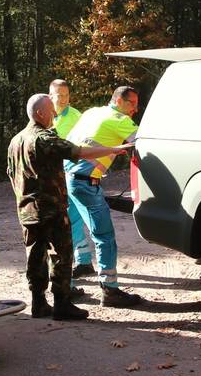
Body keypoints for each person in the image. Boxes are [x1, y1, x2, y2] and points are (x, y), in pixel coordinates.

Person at [8, 93, 131, 320]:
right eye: (50, 111)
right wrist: (113, 149)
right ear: (39, 113)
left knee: (35, 257)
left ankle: (38, 303)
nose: (55, 114)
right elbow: (79, 152)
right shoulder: (44, 138)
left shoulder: (16, 140)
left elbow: (11, 174)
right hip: (51, 209)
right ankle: (62, 304)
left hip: (27, 210)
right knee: (62, 256)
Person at [65, 86, 144, 307]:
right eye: (132, 103)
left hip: (67, 176)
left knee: (66, 231)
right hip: (85, 182)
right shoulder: (119, 119)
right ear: (118, 101)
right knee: (104, 236)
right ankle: (110, 290)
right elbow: (146, 142)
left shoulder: (92, 112)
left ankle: (64, 286)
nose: (135, 109)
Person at [49, 78, 96, 282]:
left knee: (72, 219)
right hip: (52, 176)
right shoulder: (46, 115)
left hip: (71, 174)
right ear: (50, 95)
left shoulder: (76, 116)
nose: (63, 99)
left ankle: (83, 261)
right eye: (59, 95)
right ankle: (83, 260)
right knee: (69, 220)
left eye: (66, 95)